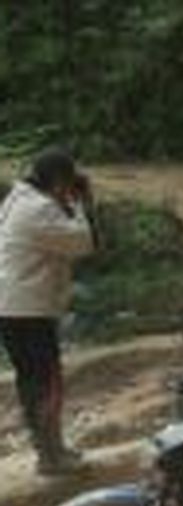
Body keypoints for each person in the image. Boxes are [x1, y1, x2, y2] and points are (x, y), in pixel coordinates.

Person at [0, 148, 96, 476]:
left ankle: (49, 450)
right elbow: (84, 242)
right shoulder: (38, 209)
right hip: (28, 309)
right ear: (57, 180)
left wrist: (68, 199)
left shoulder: (19, 198)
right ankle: (51, 456)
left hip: (13, 307)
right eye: (67, 183)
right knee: (48, 382)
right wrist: (82, 203)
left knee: (32, 382)